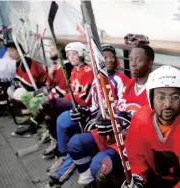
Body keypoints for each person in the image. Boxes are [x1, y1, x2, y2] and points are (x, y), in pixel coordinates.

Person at [67, 44, 154, 187]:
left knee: (98, 166)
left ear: (150, 63)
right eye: (131, 59)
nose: (132, 63)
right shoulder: (130, 84)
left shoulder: (153, 88)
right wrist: (96, 116)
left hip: (133, 140)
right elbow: (118, 111)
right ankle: (90, 180)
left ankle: (120, 181)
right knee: (76, 143)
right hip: (116, 133)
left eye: (138, 60)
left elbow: (150, 125)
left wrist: (122, 124)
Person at [45, 44, 129, 188]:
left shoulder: (120, 79)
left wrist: (110, 119)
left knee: (86, 150)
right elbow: (95, 107)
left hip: (115, 129)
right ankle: (61, 177)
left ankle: (61, 179)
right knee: (75, 141)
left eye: (110, 57)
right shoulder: (97, 80)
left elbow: (123, 107)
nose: (107, 60)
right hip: (101, 125)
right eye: (103, 58)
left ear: (116, 60)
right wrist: (86, 113)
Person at [121, 65, 180, 188]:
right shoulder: (140, 119)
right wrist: (138, 178)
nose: (167, 104)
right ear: (150, 97)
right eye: (160, 97)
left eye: (175, 97)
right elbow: (136, 158)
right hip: (158, 177)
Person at [41, 41, 94, 159]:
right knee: (49, 113)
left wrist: (61, 101)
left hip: (82, 107)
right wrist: (63, 100)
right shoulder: (75, 71)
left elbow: (85, 98)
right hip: (73, 102)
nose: (71, 57)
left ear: (81, 54)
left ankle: (62, 151)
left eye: (74, 54)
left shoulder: (88, 71)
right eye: (69, 54)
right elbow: (71, 91)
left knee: (50, 104)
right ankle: (57, 143)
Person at [6, 41, 47, 136]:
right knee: (11, 90)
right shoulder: (17, 62)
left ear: (19, 51)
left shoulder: (26, 61)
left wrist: (19, 84)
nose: (9, 53)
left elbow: (31, 85)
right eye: (8, 51)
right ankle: (28, 115)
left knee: (18, 93)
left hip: (41, 88)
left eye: (12, 50)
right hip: (33, 88)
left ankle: (35, 117)